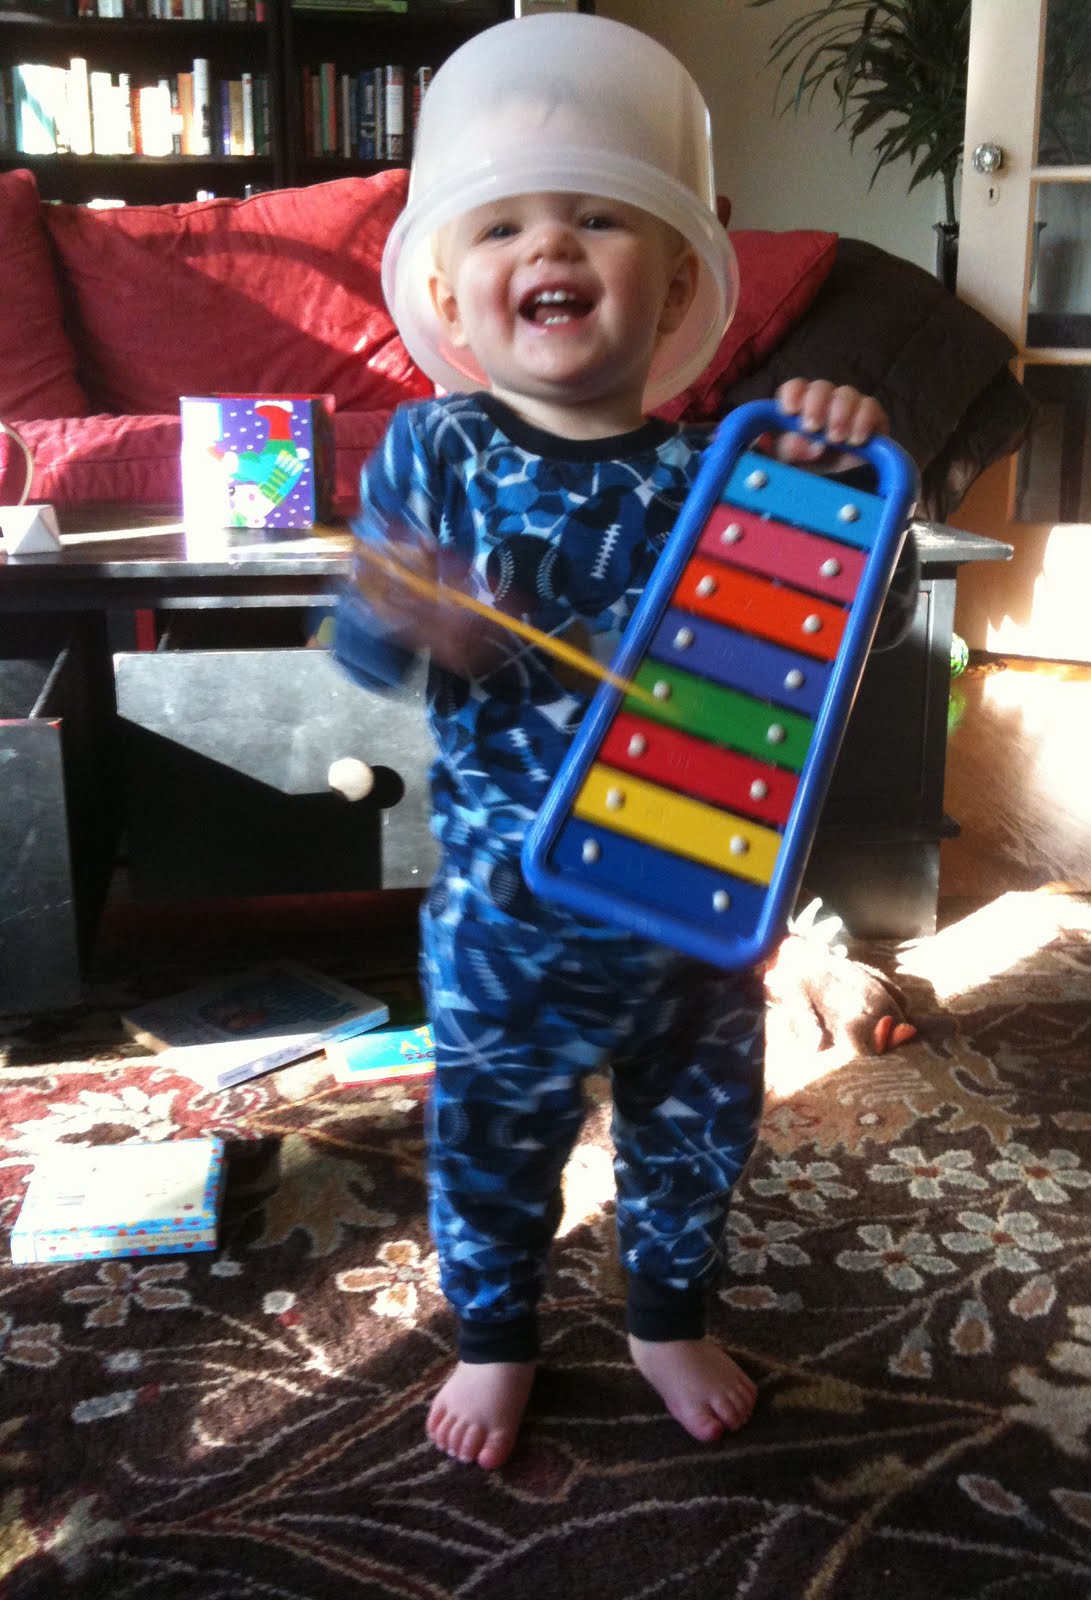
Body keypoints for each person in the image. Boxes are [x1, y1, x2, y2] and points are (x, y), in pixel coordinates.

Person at [332, 13, 893, 1471]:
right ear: (448, 292)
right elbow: (361, 644)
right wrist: (408, 609)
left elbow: (836, 644)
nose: (552, 246)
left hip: (694, 911)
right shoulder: (435, 449)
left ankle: (662, 1317)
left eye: (598, 217)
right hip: (505, 925)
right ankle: (496, 1336)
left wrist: (833, 481)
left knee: (698, 1135)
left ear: (681, 279)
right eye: (503, 224)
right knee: (492, 1143)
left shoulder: (726, 469)